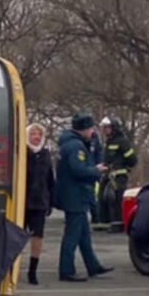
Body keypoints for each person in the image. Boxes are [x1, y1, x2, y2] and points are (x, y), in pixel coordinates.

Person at [55, 113, 114, 282]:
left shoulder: (70, 144)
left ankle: (92, 265)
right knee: (73, 234)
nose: (92, 132)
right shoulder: (76, 147)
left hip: (74, 195)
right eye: (90, 128)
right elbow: (78, 170)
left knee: (83, 234)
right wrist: (96, 170)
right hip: (75, 196)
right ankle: (66, 270)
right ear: (84, 129)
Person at [25, 123, 56, 285]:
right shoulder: (22, 153)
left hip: (39, 201)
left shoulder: (45, 155)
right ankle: (10, 268)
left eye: (39, 134)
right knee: (16, 236)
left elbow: (50, 179)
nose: (36, 137)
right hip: (23, 202)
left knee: (38, 237)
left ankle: (32, 271)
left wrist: (51, 201)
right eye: (33, 134)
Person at [100, 117, 139, 233]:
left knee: (116, 200)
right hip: (108, 175)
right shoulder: (109, 141)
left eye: (108, 127)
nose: (106, 130)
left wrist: (120, 165)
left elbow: (132, 160)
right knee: (105, 198)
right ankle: (106, 222)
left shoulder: (122, 141)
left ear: (114, 128)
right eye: (105, 128)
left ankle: (118, 224)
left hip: (119, 177)